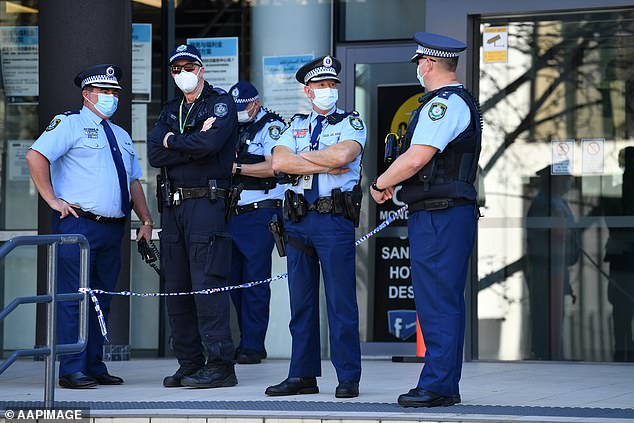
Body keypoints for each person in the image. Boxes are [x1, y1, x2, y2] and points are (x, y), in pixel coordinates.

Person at [370, 32, 481, 407]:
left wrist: (381, 182)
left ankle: (438, 385)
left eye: (419, 62)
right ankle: (442, 383)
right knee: (441, 299)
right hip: (440, 212)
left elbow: (418, 157)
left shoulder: (443, 105)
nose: (418, 68)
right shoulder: (447, 103)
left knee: (437, 301)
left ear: (429, 63)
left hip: (441, 214)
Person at [26, 64, 153, 389]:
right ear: (87, 94)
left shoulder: (121, 135)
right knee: (74, 299)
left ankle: (94, 364)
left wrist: (146, 219)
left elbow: (133, 181)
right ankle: (71, 368)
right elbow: (36, 155)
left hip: (113, 229)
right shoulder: (70, 123)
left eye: (114, 92)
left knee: (103, 298)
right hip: (79, 226)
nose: (111, 98)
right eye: (105, 92)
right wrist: (52, 200)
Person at [265, 55, 366, 398]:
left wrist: (304, 161)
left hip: (333, 219)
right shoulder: (293, 125)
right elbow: (279, 161)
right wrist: (323, 163)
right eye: (321, 86)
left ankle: (348, 376)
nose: (328, 91)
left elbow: (344, 156)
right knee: (302, 305)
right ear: (308, 91)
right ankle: (302, 375)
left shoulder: (351, 123)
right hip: (297, 220)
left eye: (332, 85)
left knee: (340, 303)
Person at [147, 44, 238, 389]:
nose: (182, 73)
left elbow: (210, 147)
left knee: (207, 285)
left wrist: (175, 142)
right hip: (172, 207)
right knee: (177, 288)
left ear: (200, 69)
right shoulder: (171, 109)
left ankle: (220, 365)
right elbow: (156, 153)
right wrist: (189, 140)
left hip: (206, 204)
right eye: (175, 68)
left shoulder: (221, 103)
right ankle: (189, 362)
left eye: (188, 66)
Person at [227, 81, 286, 364]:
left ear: (256, 103)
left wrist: (237, 168)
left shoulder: (271, 126)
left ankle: (253, 345)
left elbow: (275, 165)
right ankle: (244, 341)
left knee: (255, 283)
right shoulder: (234, 126)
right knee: (233, 282)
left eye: (243, 108)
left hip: (259, 212)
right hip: (231, 214)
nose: (239, 113)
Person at [524, 166, 578, 360]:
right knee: (545, 315)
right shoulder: (544, 203)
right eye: (565, 178)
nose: (569, 182)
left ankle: (553, 352)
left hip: (556, 266)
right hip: (545, 269)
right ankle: (545, 354)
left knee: (555, 314)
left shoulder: (557, 202)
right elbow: (546, 238)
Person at [601, 148, 634, 362]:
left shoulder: (617, 190)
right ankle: (623, 349)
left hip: (622, 254)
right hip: (622, 255)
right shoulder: (615, 190)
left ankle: (622, 349)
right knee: (622, 307)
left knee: (621, 309)